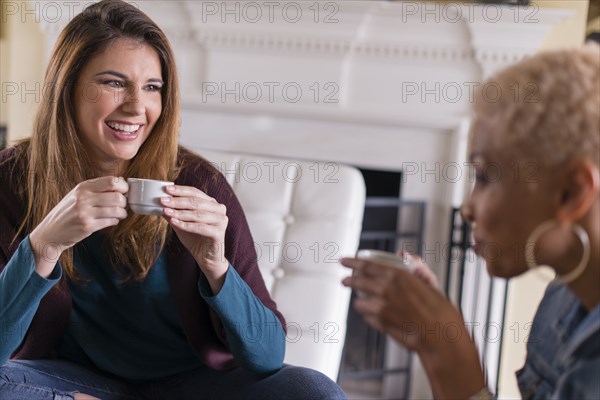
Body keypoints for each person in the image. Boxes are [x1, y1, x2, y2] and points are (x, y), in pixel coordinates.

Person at [0, 1, 347, 399]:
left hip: (194, 385)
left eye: (152, 87)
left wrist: (215, 265)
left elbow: (266, 359)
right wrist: (43, 246)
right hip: (78, 382)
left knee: (313, 390)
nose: (136, 106)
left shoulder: (200, 183)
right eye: (114, 82)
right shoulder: (10, 181)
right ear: (68, 87)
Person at [341, 44, 600, 399]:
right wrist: (435, 325)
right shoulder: (565, 294)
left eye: (484, 176)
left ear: (571, 193)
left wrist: (444, 350)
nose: (467, 209)